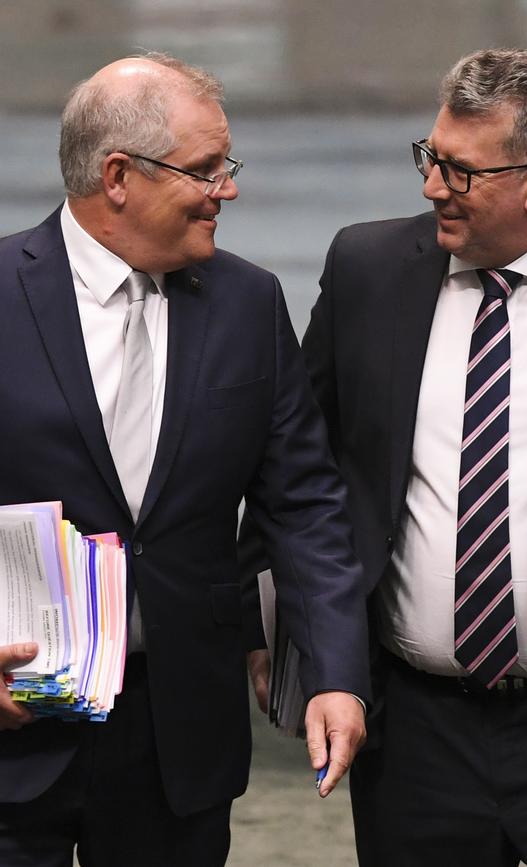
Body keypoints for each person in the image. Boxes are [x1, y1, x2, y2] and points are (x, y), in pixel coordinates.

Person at [242, 47, 527, 865]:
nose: (431, 186)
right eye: (430, 158)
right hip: (416, 734)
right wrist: (267, 625)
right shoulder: (368, 270)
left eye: (459, 172)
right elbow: (299, 460)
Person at [0, 52, 369, 867]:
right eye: (205, 170)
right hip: (15, 723)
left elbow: (304, 504)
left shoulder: (248, 303)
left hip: (179, 737)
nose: (226, 189)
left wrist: (336, 672)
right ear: (119, 175)